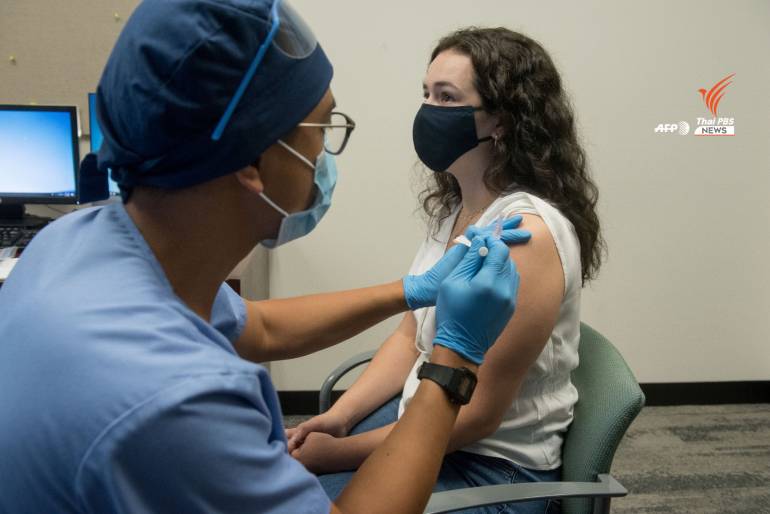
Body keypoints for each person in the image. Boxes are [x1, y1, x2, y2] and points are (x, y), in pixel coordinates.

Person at [0, 2, 533, 514]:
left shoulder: (74, 241)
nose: (325, 154)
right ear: (254, 159)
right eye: (322, 130)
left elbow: (261, 328)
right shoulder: (176, 403)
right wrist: (454, 359)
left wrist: (412, 291)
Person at [286, 27, 605, 514]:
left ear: (500, 118)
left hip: (491, 465)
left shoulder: (527, 235)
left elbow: (476, 416)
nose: (428, 110)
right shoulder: (457, 208)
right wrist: (339, 417)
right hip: (426, 422)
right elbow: (411, 332)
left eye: (447, 97)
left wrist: (338, 455)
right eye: (426, 94)